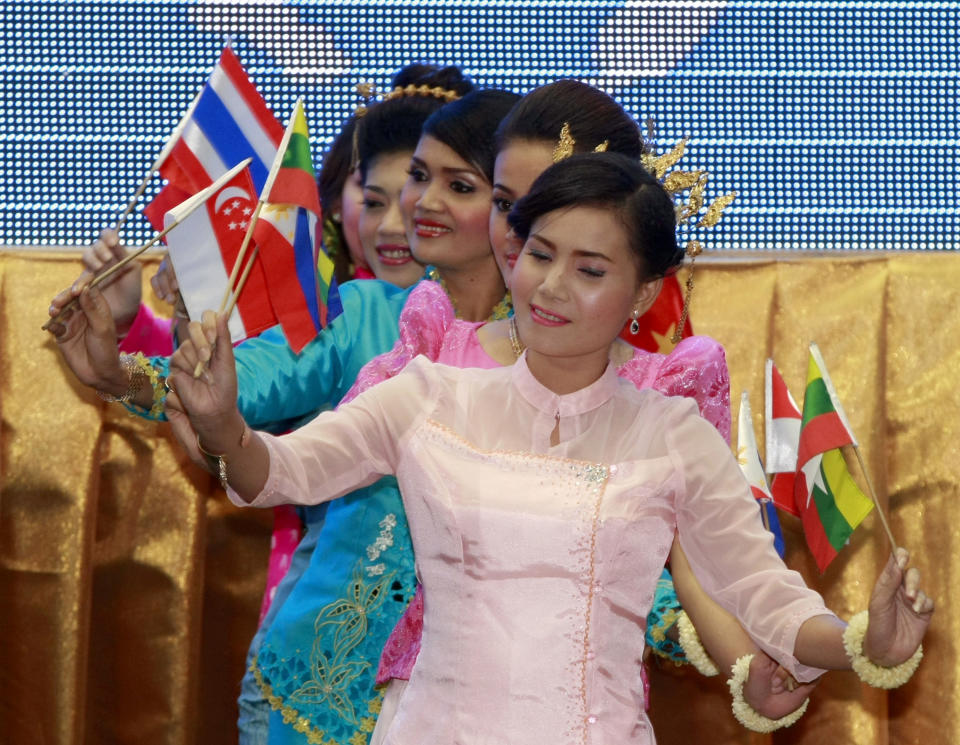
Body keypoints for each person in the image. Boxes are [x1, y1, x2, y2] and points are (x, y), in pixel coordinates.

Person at [164, 152, 933, 744]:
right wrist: (225, 424)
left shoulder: (670, 434)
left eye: (589, 269)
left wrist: (866, 640)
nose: (551, 286)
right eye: (539, 252)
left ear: (639, 294)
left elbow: (761, 593)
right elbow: (281, 471)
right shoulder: (429, 393)